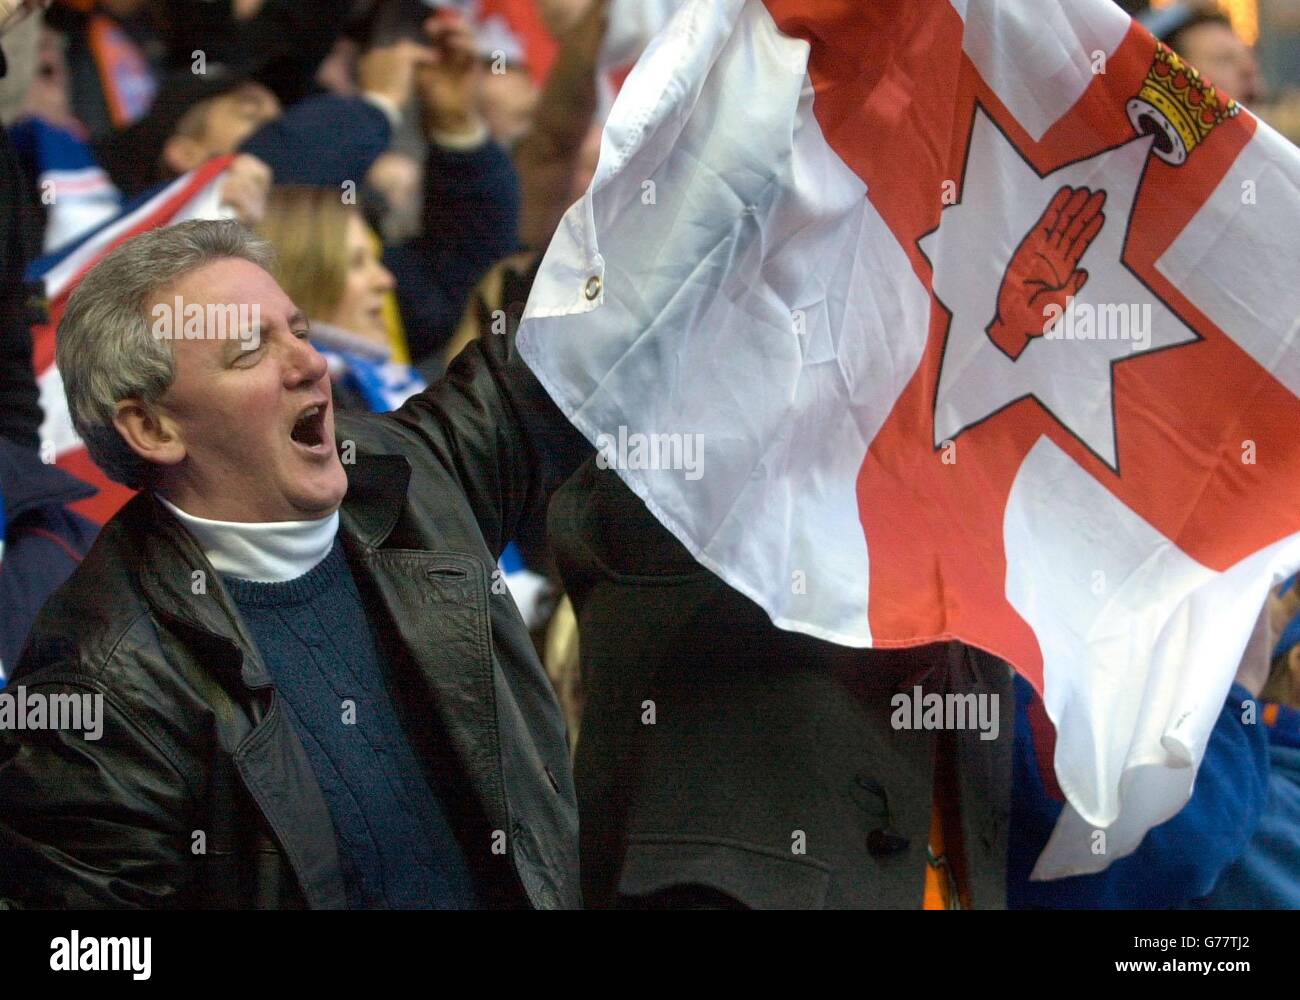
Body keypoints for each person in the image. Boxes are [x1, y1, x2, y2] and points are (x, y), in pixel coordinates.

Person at [0, 218, 590, 908]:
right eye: (251, 349)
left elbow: (571, 348)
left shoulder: (409, 476)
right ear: (152, 428)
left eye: (300, 331)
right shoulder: (100, 688)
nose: (310, 364)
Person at [258, 185, 423, 413]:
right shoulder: (318, 405)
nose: (385, 280)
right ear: (300, 278)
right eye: (357, 263)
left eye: (374, 260)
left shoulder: (386, 380)